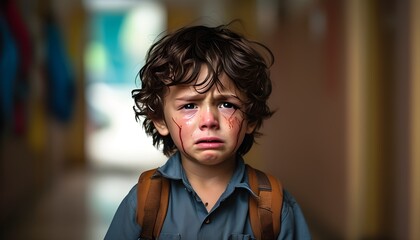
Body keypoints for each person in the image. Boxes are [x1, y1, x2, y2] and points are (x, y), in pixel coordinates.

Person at [105, 22, 311, 239]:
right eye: (189, 105)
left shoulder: (275, 206)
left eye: (227, 105)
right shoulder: (144, 201)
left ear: (250, 117)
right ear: (160, 120)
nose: (209, 120)